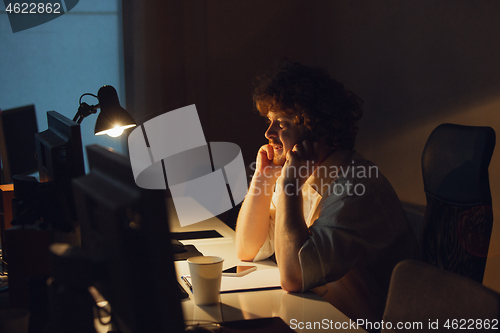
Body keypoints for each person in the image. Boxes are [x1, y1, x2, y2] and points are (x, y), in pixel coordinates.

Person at [235, 62, 418, 323]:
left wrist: (289, 185)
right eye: (269, 121)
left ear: (318, 132)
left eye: (283, 123)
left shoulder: (356, 188)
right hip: (320, 316)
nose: (269, 133)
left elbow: (293, 277)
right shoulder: (302, 172)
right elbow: (248, 249)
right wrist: (262, 180)